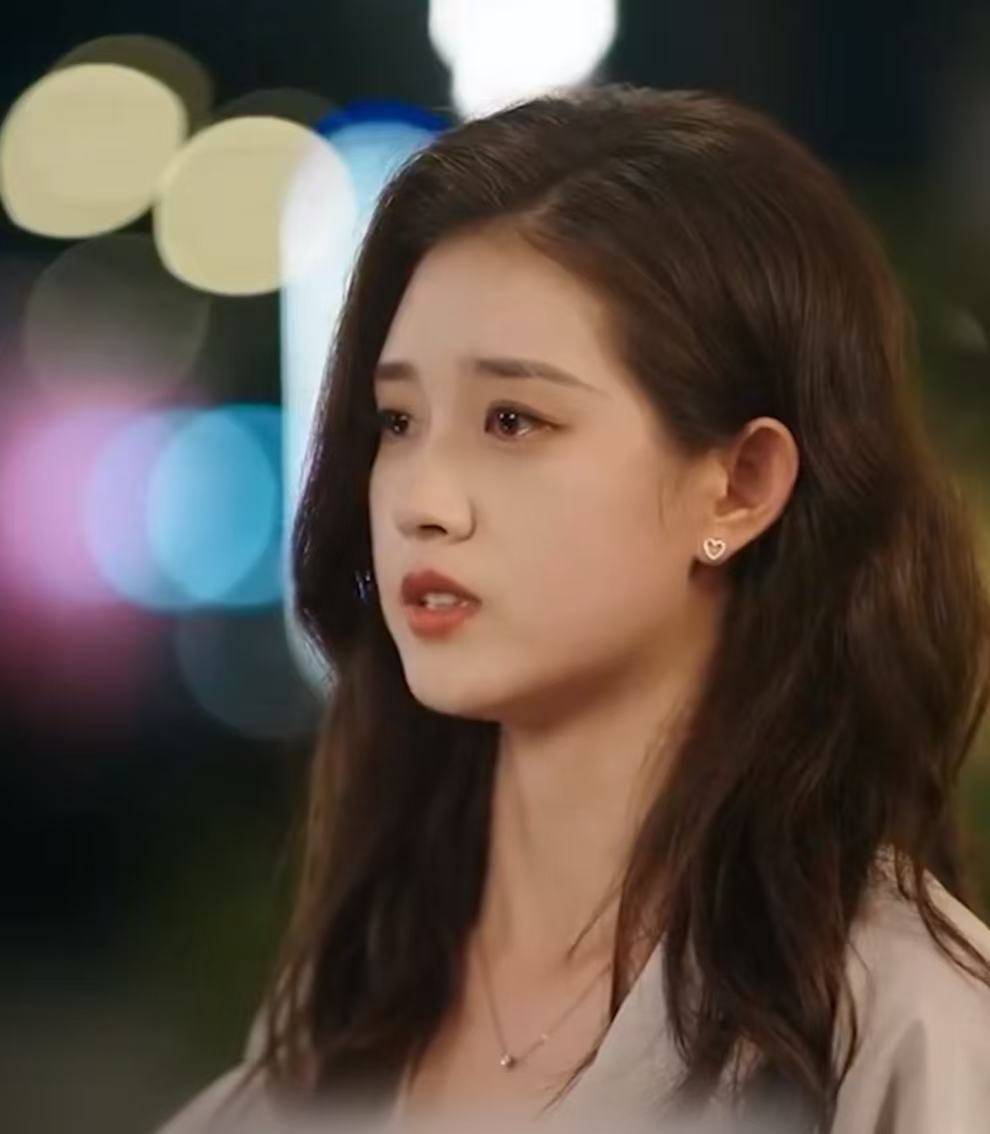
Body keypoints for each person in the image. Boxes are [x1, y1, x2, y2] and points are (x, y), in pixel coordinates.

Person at [155, 83, 990, 1133]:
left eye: (513, 420)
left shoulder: (900, 1031)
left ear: (740, 485)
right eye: (397, 420)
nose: (420, 500)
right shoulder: (337, 1018)